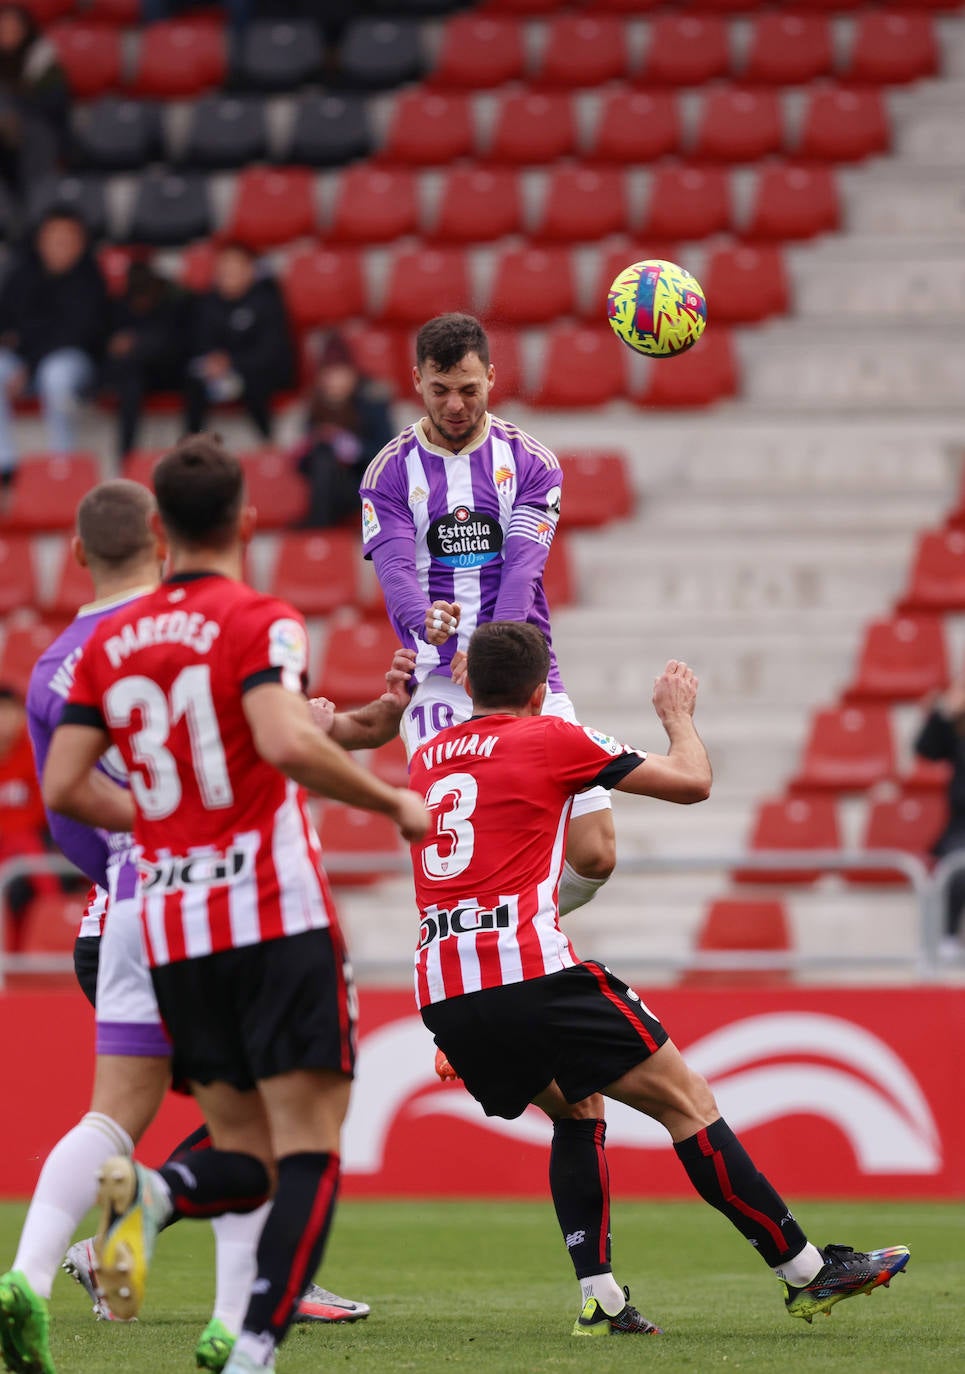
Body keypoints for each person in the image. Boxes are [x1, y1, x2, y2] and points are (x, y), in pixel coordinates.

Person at [40, 434, 428, 1374]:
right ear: (249, 522)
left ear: (160, 534)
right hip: (272, 913)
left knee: (241, 1148)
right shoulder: (262, 621)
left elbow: (63, 786)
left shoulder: (105, 645)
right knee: (307, 1150)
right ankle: (245, 1338)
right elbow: (286, 744)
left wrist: (164, 822)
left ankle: (161, 1195)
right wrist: (392, 801)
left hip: (171, 926)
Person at [409, 620, 911, 1335]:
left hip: (444, 988)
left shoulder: (427, 756)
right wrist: (677, 719)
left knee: (577, 1111)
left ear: (469, 683)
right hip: (529, 971)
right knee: (686, 1103)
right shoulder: (550, 736)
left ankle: (600, 1297)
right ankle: (805, 1272)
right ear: (536, 689)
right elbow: (692, 783)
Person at [0, 207, 109, 484]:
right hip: (25, 363)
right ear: (40, 240)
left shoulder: (90, 279)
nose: (59, 243)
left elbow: (76, 334)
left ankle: (63, 463)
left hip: (75, 365)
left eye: (67, 237)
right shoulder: (22, 274)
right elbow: (9, 322)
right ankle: (6, 465)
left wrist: (29, 361)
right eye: (53, 236)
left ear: (81, 242)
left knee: (56, 373)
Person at [184, 242, 294, 443]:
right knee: (193, 380)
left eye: (235, 267)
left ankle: (268, 444)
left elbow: (272, 350)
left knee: (255, 380)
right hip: (217, 372)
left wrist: (233, 362)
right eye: (223, 268)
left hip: (257, 370)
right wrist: (214, 362)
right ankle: (191, 446)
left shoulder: (267, 302)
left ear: (250, 270)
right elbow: (199, 341)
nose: (228, 273)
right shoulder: (207, 302)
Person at [289, 331, 394, 529]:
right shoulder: (316, 405)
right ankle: (319, 521)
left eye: (340, 373)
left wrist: (353, 448)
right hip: (326, 486)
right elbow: (303, 466)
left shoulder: (372, 402)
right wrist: (314, 444)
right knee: (322, 457)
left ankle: (318, 523)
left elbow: (388, 456)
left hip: (363, 485)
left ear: (353, 373)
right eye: (328, 374)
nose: (334, 381)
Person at [101, 260, 191, 462]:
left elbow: (178, 345)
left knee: (195, 380)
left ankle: (192, 454)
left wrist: (137, 344)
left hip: (173, 372)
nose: (141, 302)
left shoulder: (175, 300)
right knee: (129, 380)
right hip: (137, 377)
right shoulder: (118, 306)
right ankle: (126, 458)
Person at [913, 678, 965, 961]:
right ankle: (947, 936)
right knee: (957, 865)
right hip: (961, 823)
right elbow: (926, 750)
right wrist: (943, 713)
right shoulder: (957, 726)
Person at [0, 5, 68, 213]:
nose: (8, 33)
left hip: (34, 140)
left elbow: (56, 106)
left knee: (36, 133)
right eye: (3, 28)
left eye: (14, 28)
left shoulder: (43, 61)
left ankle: (34, 215)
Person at [0, 681, 52, 950]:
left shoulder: (35, 753)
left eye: (9, 712)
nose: (4, 721)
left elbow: (44, 810)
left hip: (31, 855)